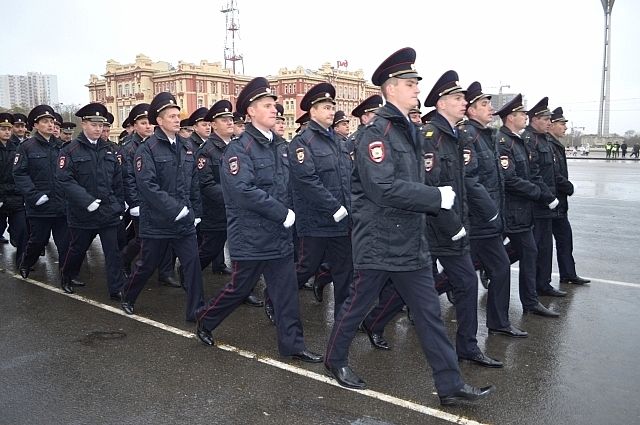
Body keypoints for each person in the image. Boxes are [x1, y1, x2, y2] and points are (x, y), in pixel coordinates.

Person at [324, 47, 494, 406]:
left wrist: (436, 205)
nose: (417, 88)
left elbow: (415, 182)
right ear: (390, 89)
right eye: (409, 83)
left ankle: (449, 384)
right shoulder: (377, 133)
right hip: (379, 241)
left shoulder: (410, 132)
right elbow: (381, 188)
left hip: (410, 241)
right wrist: (435, 199)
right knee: (357, 306)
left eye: (416, 82)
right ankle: (335, 360)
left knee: (429, 314)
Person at [195, 77, 323, 364]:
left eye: (274, 105)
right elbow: (243, 191)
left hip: (278, 236)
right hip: (251, 236)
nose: (274, 110)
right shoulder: (239, 150)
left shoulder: (280, 146)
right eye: (267, 105)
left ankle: (292, 345)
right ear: (250, 112)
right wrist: (281, 212)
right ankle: (205, 319)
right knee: (238, 288)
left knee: (287, 292)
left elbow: (290, 184)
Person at [420, 71, 503, 366]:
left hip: (456, 226)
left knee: (465, 284)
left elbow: (463, 183)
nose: (463, 102)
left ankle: (466, 346)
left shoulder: (457, 135)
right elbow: (430, 189)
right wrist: (452, 226)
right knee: (425, 288)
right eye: (458, 98)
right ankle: (376, 323)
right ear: (442, 103)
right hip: (438, 228)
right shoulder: (431, 137)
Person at [120, 92, 204, 321]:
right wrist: (175, 209)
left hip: (184, 221)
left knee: (192, 264)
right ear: (159, 120)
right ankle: (127, 295)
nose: (177, 120)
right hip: (157, 222)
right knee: (147, 264)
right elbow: (147, 186)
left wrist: (195, 212)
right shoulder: (147, 150)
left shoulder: (187, 146)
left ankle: (196, 311)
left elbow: (193, 182)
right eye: (172, 116)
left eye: (178, 115)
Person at [458, 82, 527, 338]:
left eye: (489, 103)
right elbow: (470, 180)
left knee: (479, 269)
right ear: (471, 110)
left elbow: (495, 180)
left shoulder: (487, 136)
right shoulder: (469, 136)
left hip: (489, 219)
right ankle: (495, 324)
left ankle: (498, 322)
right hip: (478, 219)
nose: (491, 108)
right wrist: (491, 211)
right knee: (495, 268)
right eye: (484, 104)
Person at [288, 83, 353, 316]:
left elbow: (347, 177)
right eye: (326, 107)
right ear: (312, 112)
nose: (330, 112)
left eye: (332, 107)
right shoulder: (302, 143)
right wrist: (333, 206)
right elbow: (307, 181)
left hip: (342, 221)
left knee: (345, 271)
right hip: (316, 221)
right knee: (306, 267)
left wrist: (350, 207)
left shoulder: (339, 142)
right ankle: (276, 298)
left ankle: (344, 317)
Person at [496, 94, 559, 317]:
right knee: (483, 259)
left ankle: (530, 302)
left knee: (528, 253)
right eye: (522, 114)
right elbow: (510, 179)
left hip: (524, 212)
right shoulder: (502, 142)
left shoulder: (519, 140)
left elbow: (533, 174)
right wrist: (537, 193)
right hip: (510, 210)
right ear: (511, 117)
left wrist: (547, 196)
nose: (526, 117)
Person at [56, 103, 127, 298]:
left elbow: (117, 181)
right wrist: (86, 201)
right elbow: (64, 180)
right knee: (78, 249)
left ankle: (116, 288)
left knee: (112, 252)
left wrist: (119, 206)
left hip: (107, 211)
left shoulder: (111, 150)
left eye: (101, 125)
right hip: (82, 213)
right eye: (94, 125)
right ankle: (67, 276)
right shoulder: (70, 150)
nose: (98, 129)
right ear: (84, 124)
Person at [120, 103, 180, 287]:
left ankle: (165, 272)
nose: (148, 126)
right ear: (135, 125)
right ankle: (123, 260)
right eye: (143, 123)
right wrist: (134, 203)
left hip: (160, 200)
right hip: (142, 202)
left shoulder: (158, 144)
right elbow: (128, 177)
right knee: (141, 240)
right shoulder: (129, 147)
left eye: (149, 123)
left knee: (168, 237)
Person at [13, 105, 69, 280]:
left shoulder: (61, 147)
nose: (50, 125)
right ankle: (26, 263)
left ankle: (67, 275)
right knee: (38, 241)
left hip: (61, 205)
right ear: (36, 125)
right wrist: (33, 195)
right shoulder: (27, 147)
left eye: (52, 121)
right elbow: (19, 173)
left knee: (65, 244)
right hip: (39, 206)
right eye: (45, 121)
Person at [522, 97, 566, 298]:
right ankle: (534, 289)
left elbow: (552, 171)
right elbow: (533, 173)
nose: (550, 122)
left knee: (545, 247)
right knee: (532, 250)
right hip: (537, 203)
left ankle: (543, 284)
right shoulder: (529, 139)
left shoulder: (544, 140)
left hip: (547, 204)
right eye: (546, 118)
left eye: (550, 119)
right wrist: (548, 197)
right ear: (534, 119)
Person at [547, 107, 590, 286]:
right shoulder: (548, 144)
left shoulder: (555, 144)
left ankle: (568, 274)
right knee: (528, 246)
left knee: (565, 239)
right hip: (549, 202)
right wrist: (569, 187)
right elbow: (554, 175)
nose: (565, 127)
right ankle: (489, 267)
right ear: (552, 125)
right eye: (562, 124)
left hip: (559, 203)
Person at [0, 113, 28, 264]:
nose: (7, 132)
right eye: (3, 128)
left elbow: (22, 173)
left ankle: (22, 262)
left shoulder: (18, 148)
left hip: (16, 198)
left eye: (8, 129)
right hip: (1, 198)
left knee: (23, 230)